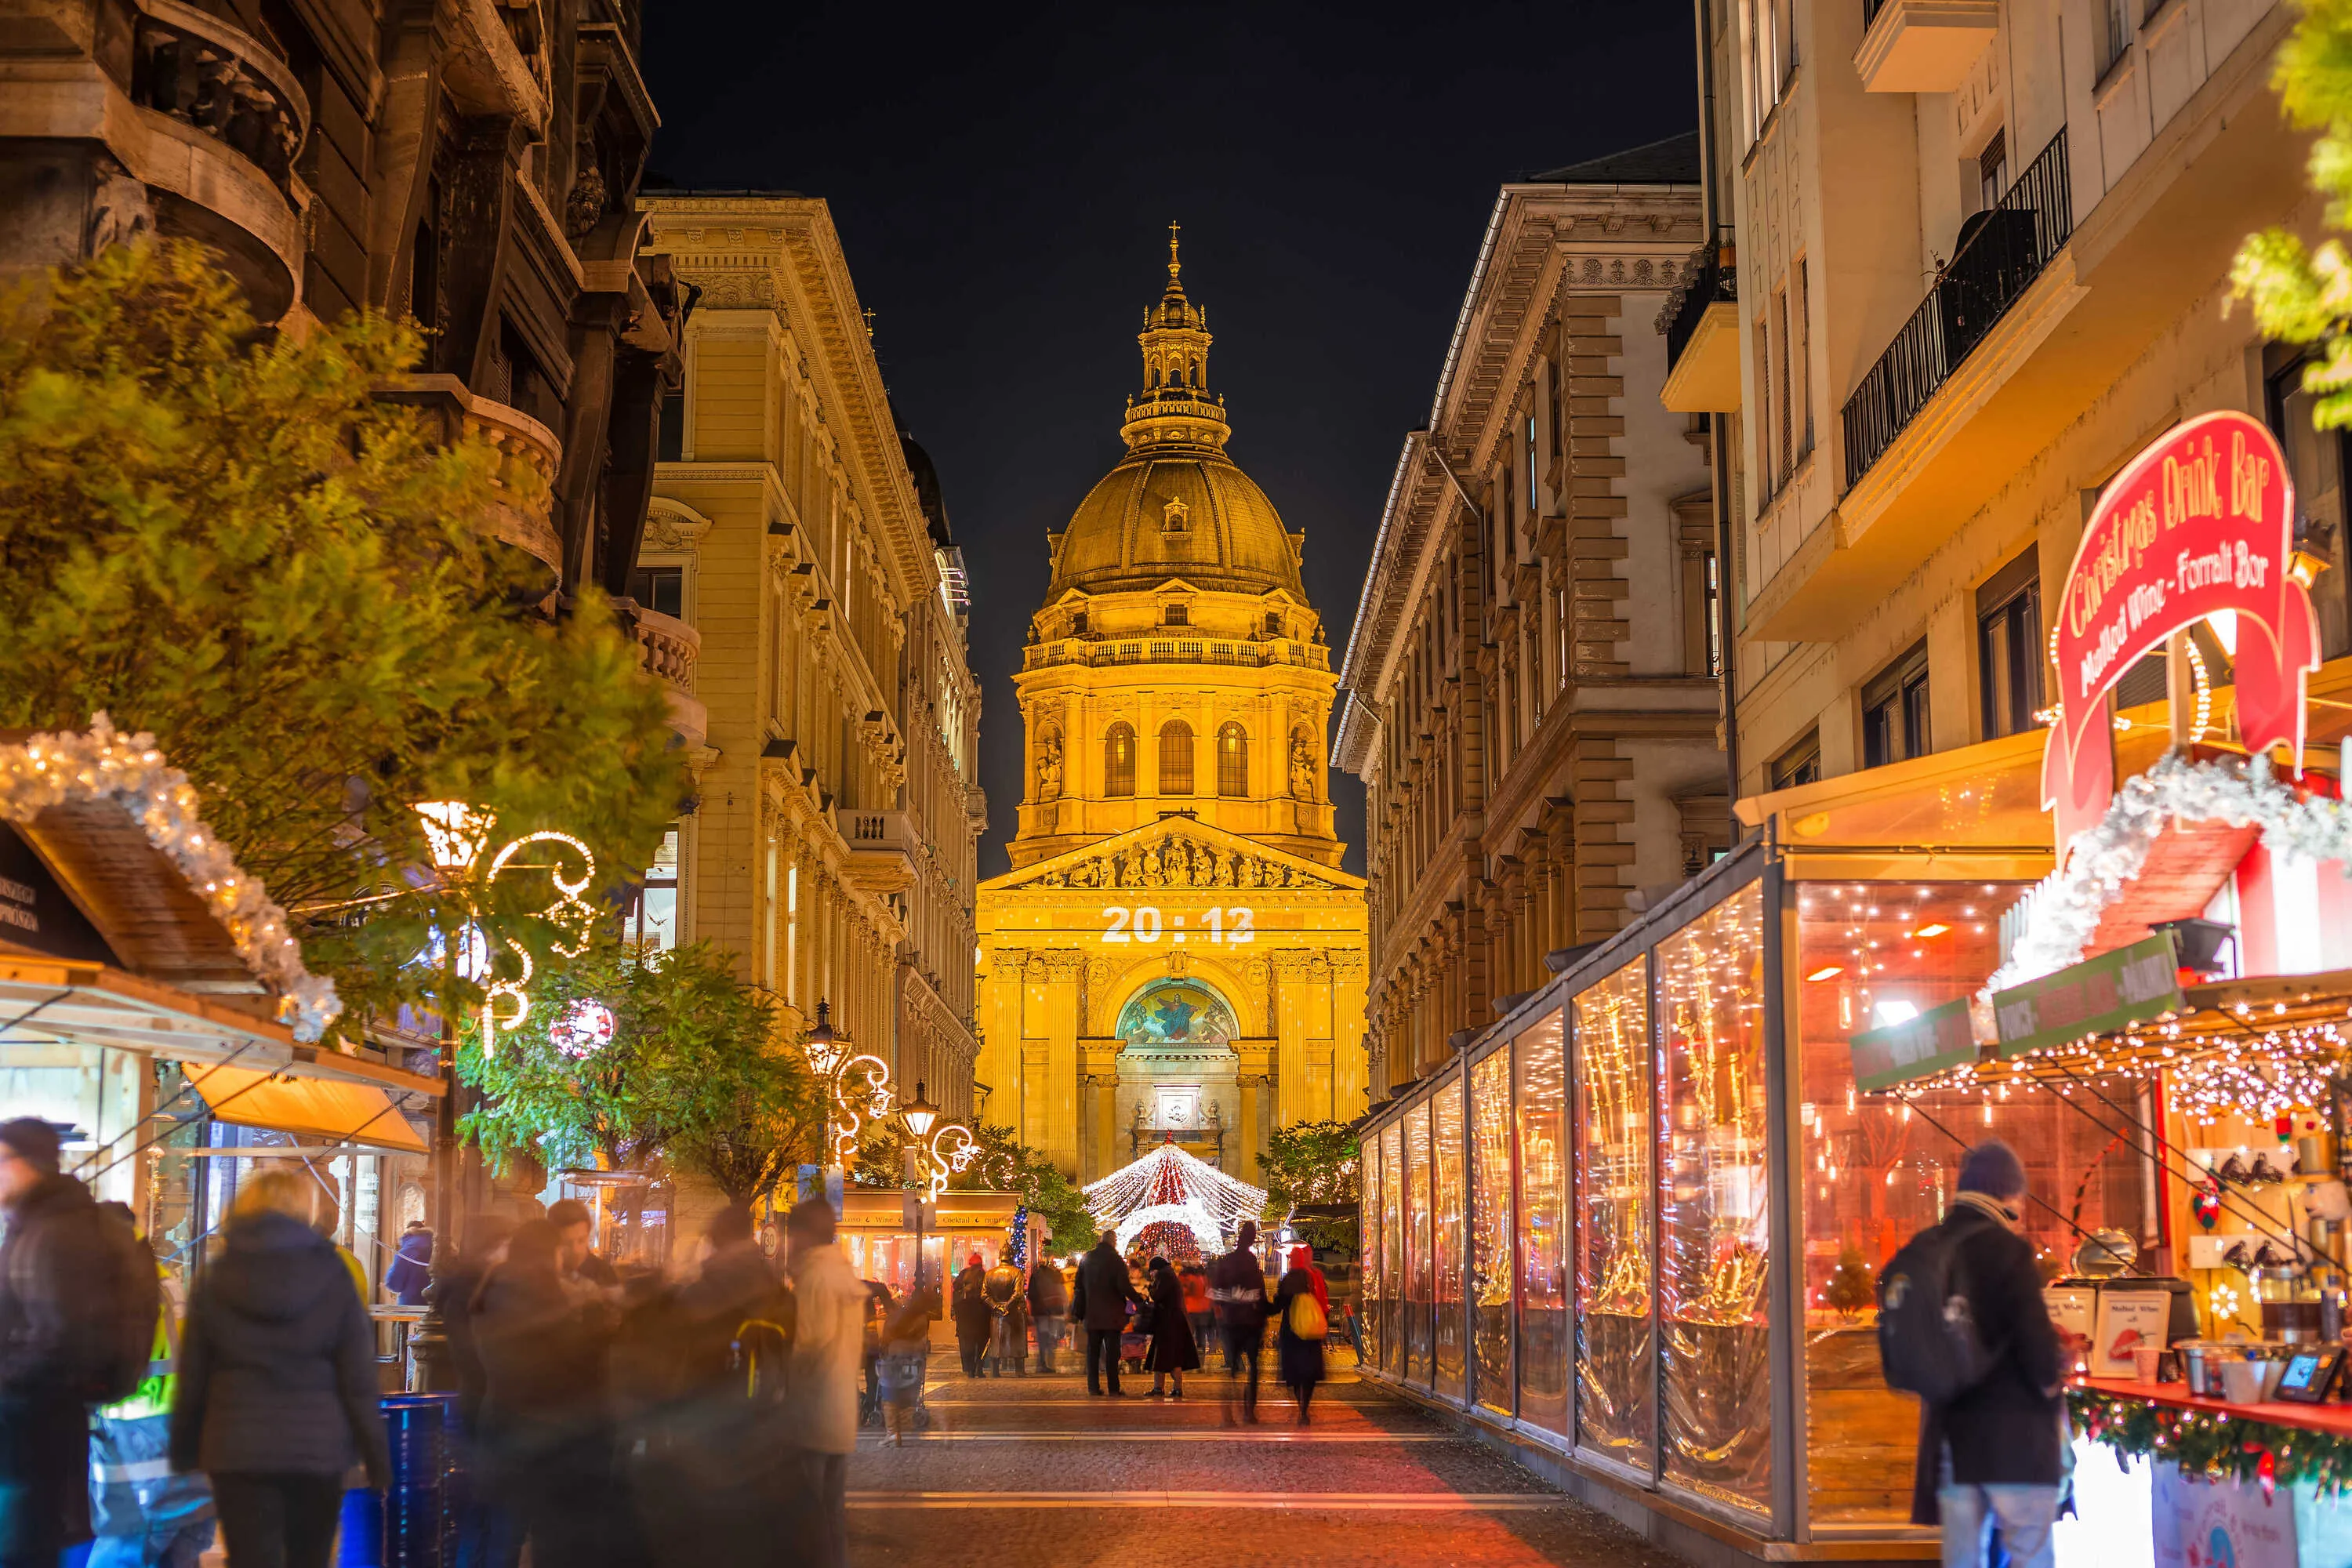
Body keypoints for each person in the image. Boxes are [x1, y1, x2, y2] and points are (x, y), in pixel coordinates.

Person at [169, 1167, 390, 1568]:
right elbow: (357, 1373)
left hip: (237, 1449)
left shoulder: (217, 1275)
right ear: (306, 1210)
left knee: (252, 1558)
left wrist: (184, 1446)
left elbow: (194, 1372)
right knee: (309, 1558)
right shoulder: (332, 1272)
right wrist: (375, 1452)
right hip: (317, 1448)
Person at [1904, 1141, 2064, 1568]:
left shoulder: (1927, 1247)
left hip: (1954, 1437)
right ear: (2008, 1193)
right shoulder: (2008, 1252)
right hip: (2016, 1437)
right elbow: (2038, 1350)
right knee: (2029, 1552)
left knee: (1963, 1558)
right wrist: (2055, 1376)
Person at [0, 1118, 119, 1568]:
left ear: (27, 1165)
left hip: (30, 1428)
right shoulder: (35, 1224)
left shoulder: (55, 1232)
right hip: (32, 1426)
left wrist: (6, 1380)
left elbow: (59, 1336)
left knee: (24, 1547)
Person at [468, 1220, 622, 1568]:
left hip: (502, 1424)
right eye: (558, 1250)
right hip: (534, 1434)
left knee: (504, 1534)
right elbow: (568, 1362)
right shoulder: (536, 1299)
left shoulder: (497, 1287)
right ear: (545, 1254)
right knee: (524, 1537)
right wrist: (599, 1323)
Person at [89, 1204, 213, 1568]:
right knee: (177, 1539)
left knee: (129, 1540)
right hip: (179, 1419)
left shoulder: (125, 1285)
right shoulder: (164, 1279)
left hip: (138, 1428)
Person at [781, 1198, 865, 1568]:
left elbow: (809, 1343)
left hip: (813, 1409)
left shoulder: (816, 1277)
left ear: (801, 1235)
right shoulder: (842, 1273)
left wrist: (780, 1376)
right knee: (831, 1513)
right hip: (840, 1408)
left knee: (808, 1513)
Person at [1207, 1221, 1271, 1425]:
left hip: (1231, 1321)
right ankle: (1248, 1412)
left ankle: (1228, 1413)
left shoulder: (1227, 1261)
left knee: (1233, 1369)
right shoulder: (1252, 1263)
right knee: (1252, 1367)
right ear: (1251, 1240)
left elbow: (1214, 1292)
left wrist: (1229, 1301)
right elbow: (1259, 1296)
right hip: (1250, 1323)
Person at [1071, 1235, 1142, 1398]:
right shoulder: (1115, 1260)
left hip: (1092, 1313)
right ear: (1113, 1242)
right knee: (1112, 1352)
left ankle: (1093, 1387)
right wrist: (1138, 1299)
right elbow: (1124, 1286)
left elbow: (1079, 1287)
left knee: (1093, 1352)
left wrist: (1079, 1311)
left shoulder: (1087, 1259)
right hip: (1112, 1314)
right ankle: (1113, 1388)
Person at [1274, 1245, 1329, 1425]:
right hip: (1310, 1332)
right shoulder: (1313, 1277)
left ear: (1291, 1261)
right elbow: (1322, 1301)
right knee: (1309, 1373)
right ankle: (1305, 1407)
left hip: (1292, 1331)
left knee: (1295, 1373)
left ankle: (1301, 1408)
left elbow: (1278, 1305)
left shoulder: (1287, 1280)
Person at [873, 1291, 934, 1447]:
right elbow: (920, 1338)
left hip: (894, 1356)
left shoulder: (900, 1315)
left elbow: (888, 1333)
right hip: (912, 1358)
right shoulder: (921, 1318)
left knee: (889, 1396)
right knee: (903, 1392)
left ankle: (892, 1433)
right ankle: (893, 1433)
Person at [1144, 1257, 1200, 1399]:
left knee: (1161, 1355)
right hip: (1176, 1321)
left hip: (1167, 1322)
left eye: (1151, 1271)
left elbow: (1157, 1296)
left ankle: (1159, 1388)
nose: (1151, 1274)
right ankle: (1177, 1388)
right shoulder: (1170, 1275)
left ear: (1156, 1269)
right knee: (1175, 1356)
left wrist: (1150, 1287)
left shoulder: (1164, 1276)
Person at [548, 1200, 620, 1294]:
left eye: (581, 1240)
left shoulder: (603, 1271)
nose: (575, 1250)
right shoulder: (543, 1275)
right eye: (566, 1243)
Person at [981, 1253, 1028, 1377]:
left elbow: (984, 1295)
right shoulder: (1017, 1272)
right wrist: (1006, 1306)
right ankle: (1019, 1371)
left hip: (996, 1313)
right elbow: (1018, 1293)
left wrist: (996, 1307)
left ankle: (995, 1371)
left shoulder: (989, 1274)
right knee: (1017, 1341)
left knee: (996, 1343)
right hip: (1014, 1311)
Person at [950, 1255, 992, 1377]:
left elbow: (955, 1287)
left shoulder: (963, 1275)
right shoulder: (984, 1276)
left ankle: (970, 1369)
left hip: (966, 1317)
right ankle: (979, 1367)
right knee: (981, 1344)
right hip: (981, 1316)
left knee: (967, 1344)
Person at [1026, 1254, 1069, 1374]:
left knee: (1043, 1337)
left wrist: (1032, 1311)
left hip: (1041, 1312)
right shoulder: (1055, 1275)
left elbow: (1031, 1295)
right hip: (1054, 1311)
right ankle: (1049, 1362)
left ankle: (1042, 1363)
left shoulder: (1036, 1276)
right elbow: (1061, 1292)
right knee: (1051, 1338)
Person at [383, 1221, 434, 1307]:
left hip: (411, 1304)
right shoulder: (438, 1247)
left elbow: (394, 1284)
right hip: (436, 1304)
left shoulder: (407, 1251)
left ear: (406, 1233)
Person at [1180, 1261, 1213, 1358]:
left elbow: (1184, 1292)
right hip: (1203, 1309)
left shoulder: (1186, 1278)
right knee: (1201, 1334)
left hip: (1191, 1309)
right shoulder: (1203, 1278)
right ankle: (1201, 1356)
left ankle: (1189, 1355)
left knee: (1189, 1334)